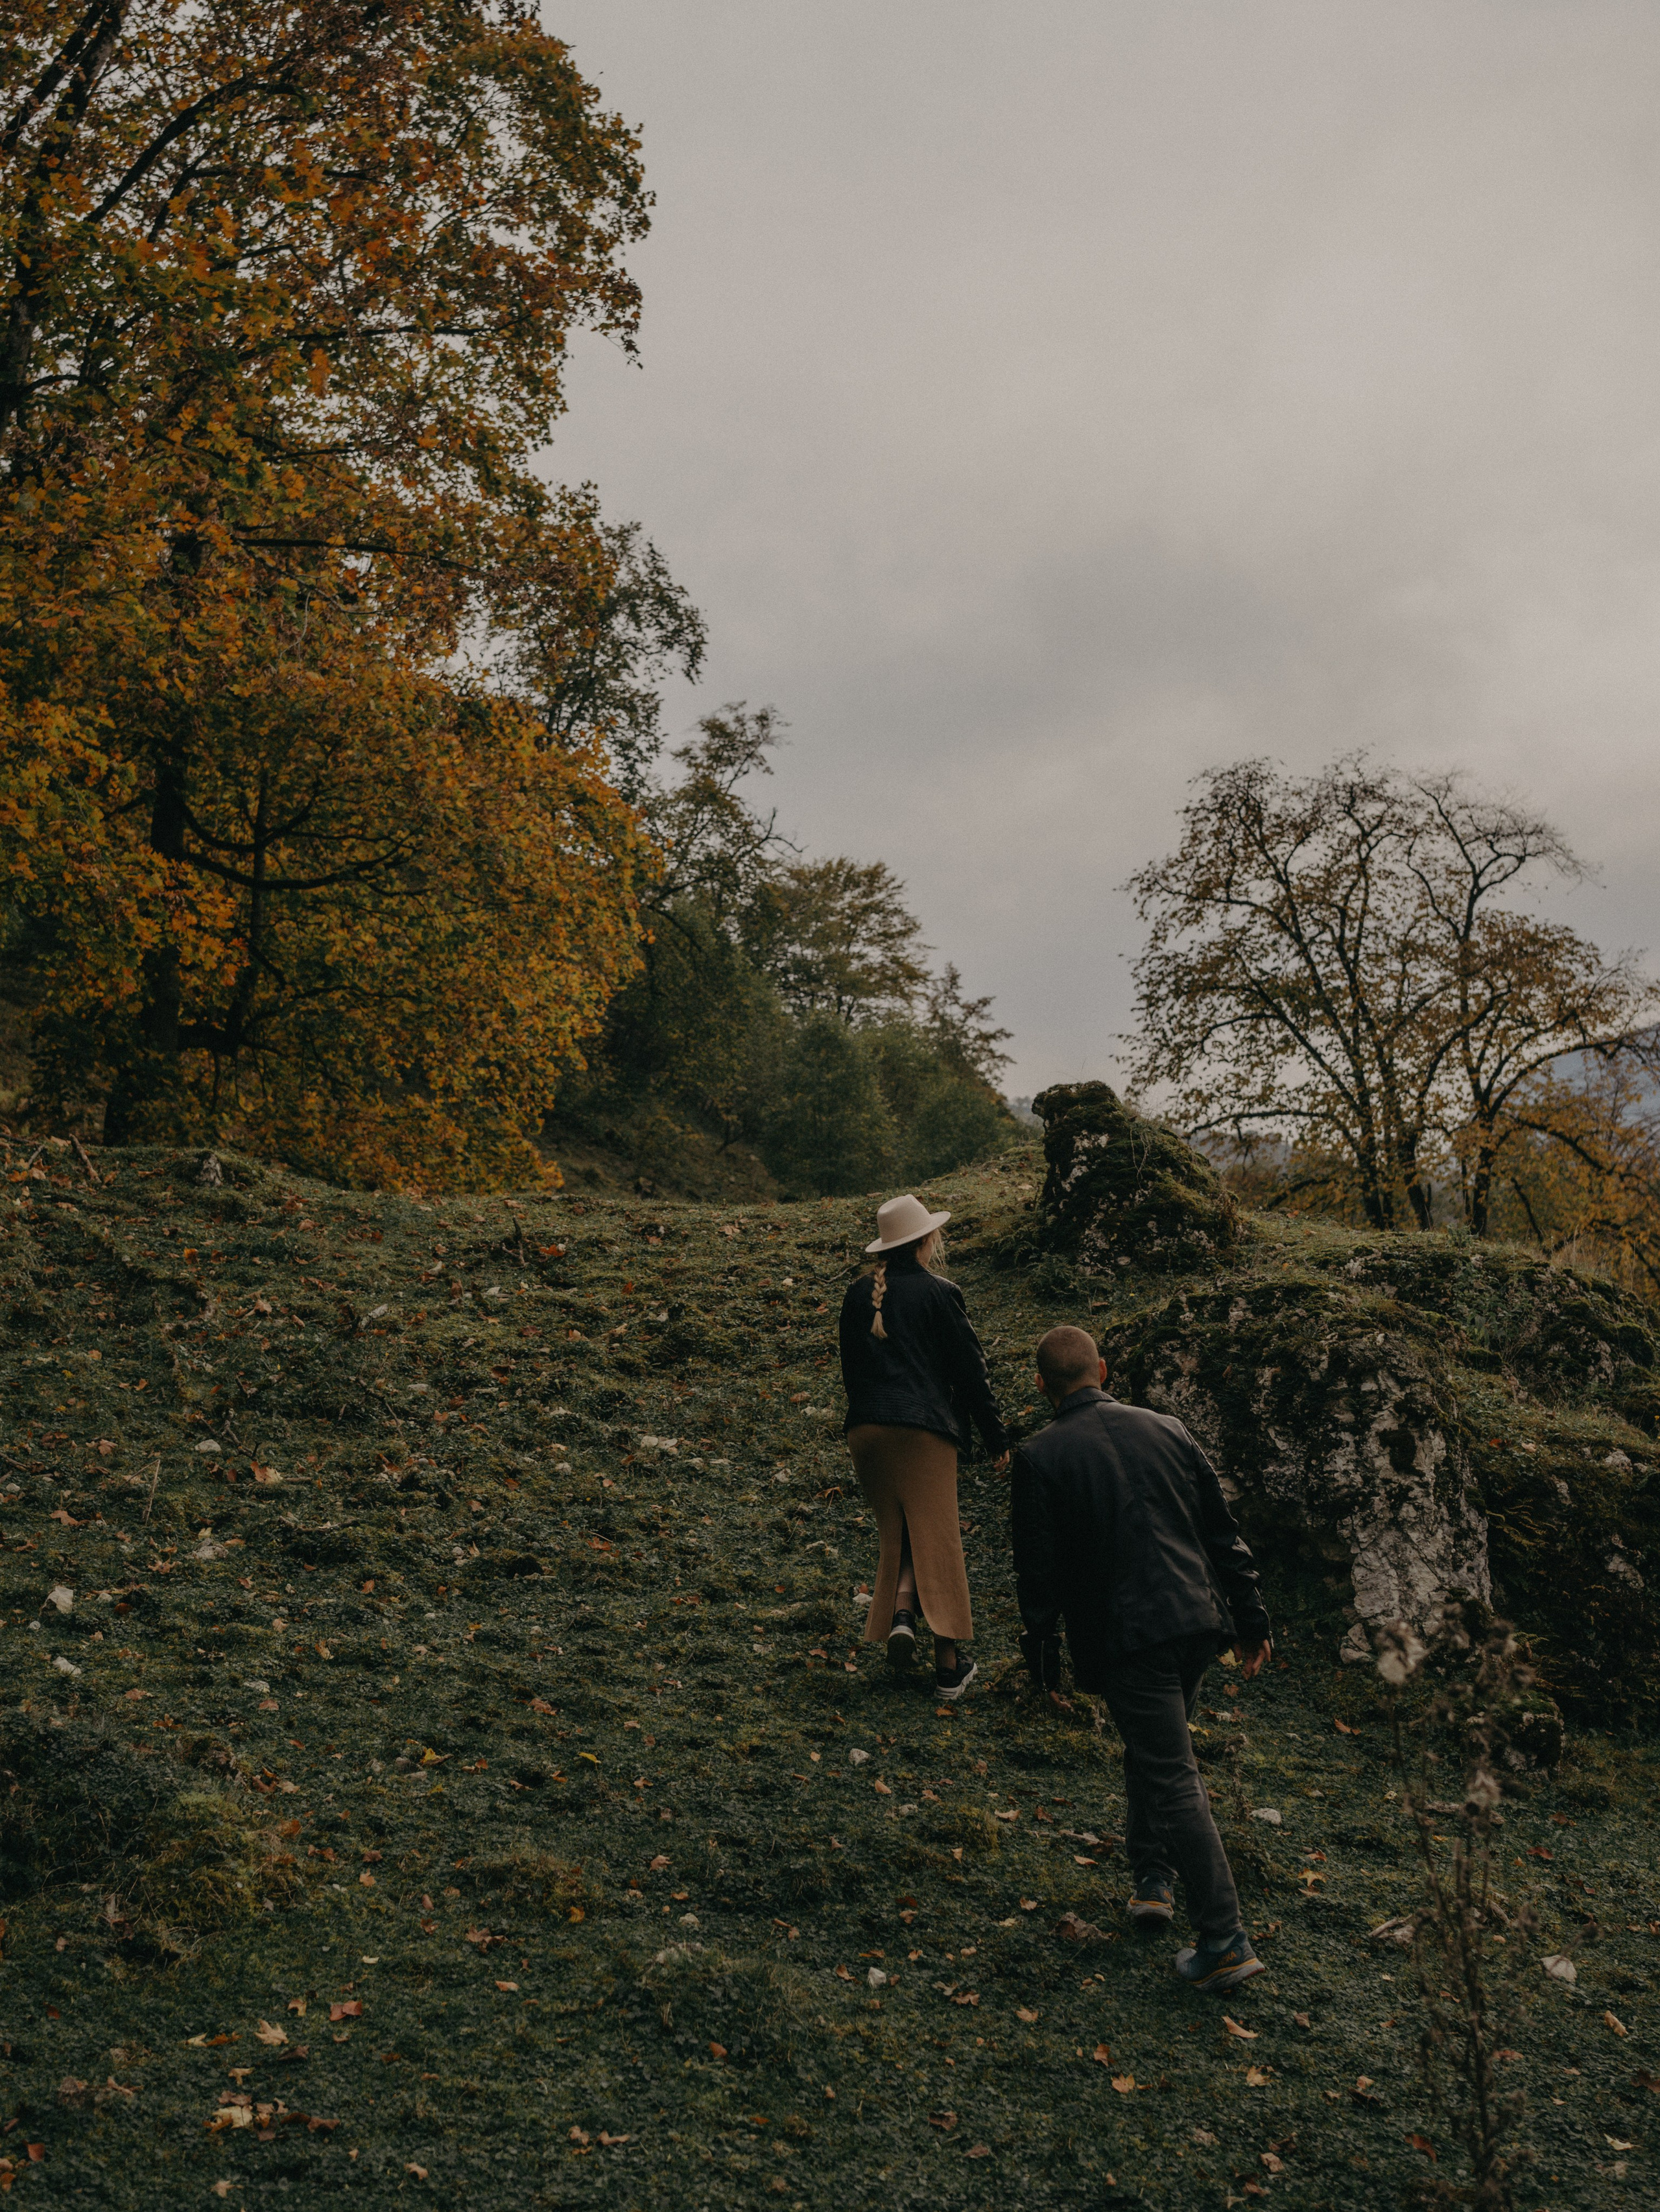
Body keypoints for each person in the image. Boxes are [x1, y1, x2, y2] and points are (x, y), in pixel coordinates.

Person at [1008, 1324, 1274, 1993]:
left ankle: (1224, 1938)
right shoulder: (1169, 1428)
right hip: (1197, 1624)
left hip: (1130, 1637)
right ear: (1102, 1369)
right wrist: (1250, 1621)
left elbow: (1037, 1574)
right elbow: (1223, 1532)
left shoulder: (1039, 1457)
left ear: (1041, 1386)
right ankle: (1151, 1879)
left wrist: (1042, 1659)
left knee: (1171, 1771)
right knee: (1154, 1748)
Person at [839, 1192, 1010, 1700]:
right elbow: (971, 1373)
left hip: (866, 1431)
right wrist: (996, 1437)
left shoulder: (856, 1294)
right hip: (923, 1431)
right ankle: (948, 1666)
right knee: (938, 1538)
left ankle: (903, 1612)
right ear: (927, 1241)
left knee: (904, 1530)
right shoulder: (940, 1292)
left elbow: (852, 1372)